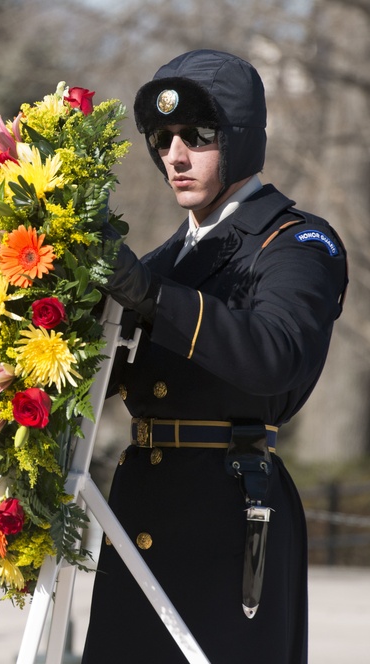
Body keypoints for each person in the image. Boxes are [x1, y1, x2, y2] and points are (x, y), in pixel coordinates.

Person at [84, 50, 348, 663]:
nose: (175, 156)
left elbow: (275, 355)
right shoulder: (162, 262)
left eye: (198, 136)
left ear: (241, 139)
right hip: (142, 505)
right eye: (162, 138)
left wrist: (151, 298)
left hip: (230, 514)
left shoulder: (298, 242)